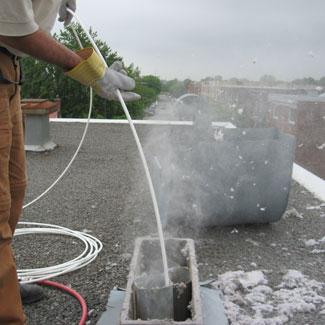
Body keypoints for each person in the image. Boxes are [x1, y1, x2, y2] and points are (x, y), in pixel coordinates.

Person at [0, 0, 140, 323]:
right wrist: (91, 72)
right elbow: (18, 31)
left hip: (9, 72)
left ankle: (2, 283)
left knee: (15, 188)